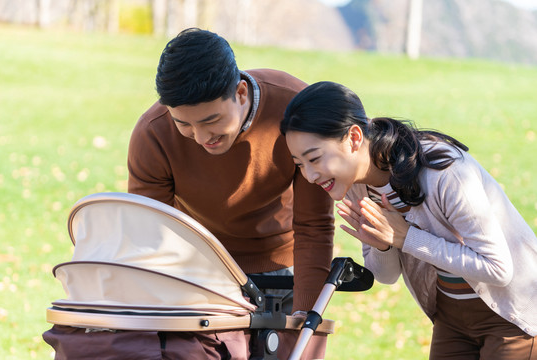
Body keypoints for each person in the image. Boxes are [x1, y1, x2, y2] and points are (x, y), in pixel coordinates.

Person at [280, 81, 537, 359]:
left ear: (354, 138)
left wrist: (405, 237)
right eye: (299, 164)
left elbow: (498, 269)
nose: (309, 176)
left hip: (513, 316)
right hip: (451, 317)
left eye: (314, 158)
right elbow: (386, 276)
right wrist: (383, 245)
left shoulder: (445, 172)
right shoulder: (355, 185)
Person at [126, 28, 334, 359]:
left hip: (281, 264)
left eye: (211, 121)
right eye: (184, 125)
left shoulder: (294, 110)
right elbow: (152, 235)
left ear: (239, 93)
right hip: (198, 267)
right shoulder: (153, 135)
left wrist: (306, 318)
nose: (199, 136)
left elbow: (314, 226)